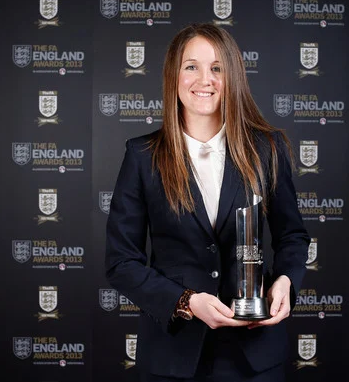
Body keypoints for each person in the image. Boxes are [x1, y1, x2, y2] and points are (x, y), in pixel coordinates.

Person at [105, 22, 310, 382]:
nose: (205, 79)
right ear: (174, 76)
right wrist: (185, 302)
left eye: (217, 68)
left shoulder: (267, 148)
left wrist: (285, 283)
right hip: (173, 357)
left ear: (232, 76)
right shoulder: (142, 155)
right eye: (191, 66)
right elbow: (122, 261)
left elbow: (292, 236)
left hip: (254, 355)